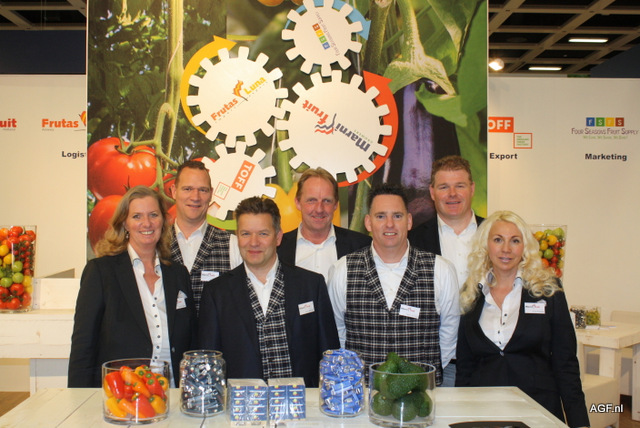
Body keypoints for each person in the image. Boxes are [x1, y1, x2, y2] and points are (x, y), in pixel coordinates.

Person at [455, 210, 589, 428]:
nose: (506, 249)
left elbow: (565, 363)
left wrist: (580, 422)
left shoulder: (548, 291)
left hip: (538, 412)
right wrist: (461, 417)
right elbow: (465, 366)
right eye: (498, 240)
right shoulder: (470, 294)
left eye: (515, 241)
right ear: (486, 245)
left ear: (525, 246)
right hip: (484, 413)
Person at [198, 197, 339, 387]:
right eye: (246, 234)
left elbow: (329, 355)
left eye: (263, 234)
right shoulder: (216, 292)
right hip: (242, 402)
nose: (253, 242)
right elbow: (209, 362)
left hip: (302, 401)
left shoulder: (311, 286)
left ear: (278, 237)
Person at [327, 183, 460, 385]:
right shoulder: (342, 270)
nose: (389, 224)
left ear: (409, 221)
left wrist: (423, 377)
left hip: (422, 393)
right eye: (380, 216)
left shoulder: (441, 270)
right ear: (368, 222)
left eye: (397, 216)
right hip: (363, 391)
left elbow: (449, 333)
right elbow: (338, 332)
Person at [68, 186, 196, 388]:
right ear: (124, 223)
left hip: (173, 393)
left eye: (153, 215)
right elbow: (83, 346)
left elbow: (191, 340)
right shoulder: (100, 272)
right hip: (121, 395)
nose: (147, 223)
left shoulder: (178, 274)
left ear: (163, 221)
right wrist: (78, 398)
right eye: (137, 216)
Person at [408, 155, 483, 386]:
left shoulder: (495, 235)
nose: (452, 194)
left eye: (459, 186)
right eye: (444, 187)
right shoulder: (413, 241)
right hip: (438, 362)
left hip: (487, 360)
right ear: (432, 192)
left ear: (472, 189)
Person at [170, 160, 241, 314]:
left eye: (203, 190)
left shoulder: (233, 245)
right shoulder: (156, 245)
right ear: (174, 191)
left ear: (211, 194)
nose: (195, 197)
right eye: (187, 189)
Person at [277, 167, 371, 280]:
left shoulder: (362, 246)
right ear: (297, 203)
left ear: (335, 205)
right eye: (311, 200)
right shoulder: (278, 249)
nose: (319, 209)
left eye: (327, 201)